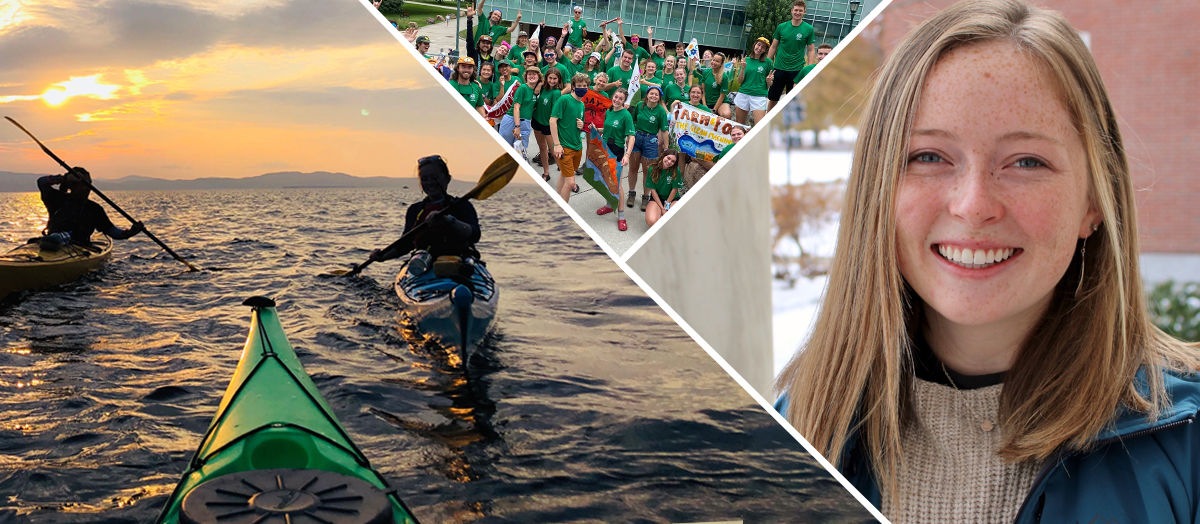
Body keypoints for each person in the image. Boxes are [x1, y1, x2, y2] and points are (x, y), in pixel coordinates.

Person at [773, 0, 1200, 522]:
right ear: (876, 191)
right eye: (928, 156)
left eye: (1026, 161)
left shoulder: (1187, 445)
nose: (973, 205)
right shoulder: (792, 433)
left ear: (1095, 199)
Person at [370, 155, 480, 262]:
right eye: (424, 179)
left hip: (459, 262)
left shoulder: (462, 205)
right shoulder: (415, 210)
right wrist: (382, 256)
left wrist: (449, 221)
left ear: (447, 179)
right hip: (424, 264)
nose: (430, 183)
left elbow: (475, 235)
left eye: (435, 177)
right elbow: (405, 245)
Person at [35, 168, 144, 251]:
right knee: (54, 238)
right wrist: (63, 178)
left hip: (80, 247)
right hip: (50, 243)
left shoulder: (94, 209)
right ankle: (55, 240)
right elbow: (41, 182)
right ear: (72, 185)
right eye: (84, 184)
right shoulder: (56, 199)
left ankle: (58, 239)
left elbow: (113, 231)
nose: (88, 188)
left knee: (61, 238)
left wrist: (130, 233)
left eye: (89, 184)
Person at [592, 87, 636, 228]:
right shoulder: (609, 111)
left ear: (624, 101)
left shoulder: (626, 115)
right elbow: (608, 129)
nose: (617, 100)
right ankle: (609, 205)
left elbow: (631, 136)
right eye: (616, 97)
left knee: (617, 185)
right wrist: (597, 129)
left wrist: (627, 155)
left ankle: (621, 216)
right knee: (606, 180)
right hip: (605, 149)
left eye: (621, 99)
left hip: (617, 151)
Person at [766, 0, 816, 111]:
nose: (798, 12)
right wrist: (767, 63)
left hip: (796, 70)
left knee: (792, 100)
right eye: (796, 10)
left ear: (804, 12)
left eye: (800, 11)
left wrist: (809, 68)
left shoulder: (808, 29)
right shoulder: (782, 27)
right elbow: (773, 47)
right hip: (779, 67)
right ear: (792, 11)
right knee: (773, 98)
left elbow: (811, 50)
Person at [549, 73, 589, 202]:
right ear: (573, 86)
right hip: (564, 147)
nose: (582, 88)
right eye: (579, 85)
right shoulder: (564, 100)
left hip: (577, 146)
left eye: (584, 86)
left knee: (564, 175)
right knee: (571, 183)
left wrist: (582, 125)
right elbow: (552, 121)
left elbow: (580, 125)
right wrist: (557, 144)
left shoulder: (582, 104)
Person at [628, 85, 669, 211]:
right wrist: (629, 137)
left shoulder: (661, 111)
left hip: (651, 141)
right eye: (652, 93)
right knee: (633, 168)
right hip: (636, 138)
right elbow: (632, 122)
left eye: (656, 95)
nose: (654, 96)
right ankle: (631, 193)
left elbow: (664, 130)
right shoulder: (640, 105)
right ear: (647, 94)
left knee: (647, 171)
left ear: (659, 98)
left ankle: (646, 196)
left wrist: (666, 148)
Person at [531, 68, 566, 179]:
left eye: (555, 78)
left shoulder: (556, 93)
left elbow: (555, 113)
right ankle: (546, 172)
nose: (552, 80)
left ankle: (565, 175)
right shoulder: (541, 88)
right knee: (542, 148)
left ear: (559, 79)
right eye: (550, 78)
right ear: (546, 78)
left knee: (555, 151)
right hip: (536, 121)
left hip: (547, 125)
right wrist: (540, 84)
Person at [735, 37, 774, 125]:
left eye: (763, 47)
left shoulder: (768, 62)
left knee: (760, 126)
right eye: (758, 45)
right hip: (743, 94)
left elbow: (771, 83)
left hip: (759, 97)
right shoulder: (746, 60)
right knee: (740, 125)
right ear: (754, 45)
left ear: (765, 50)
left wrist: (768, 81)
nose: (759, 48)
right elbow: (740, 81)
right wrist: (743, 69)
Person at [642, 148, 682, 227]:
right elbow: (653, 191)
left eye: (673, 161)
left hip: (672, 198)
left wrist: (666, 206)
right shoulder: (652, 169)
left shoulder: (675, 170)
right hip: (658, 198)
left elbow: (674, 190)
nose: (669, 162)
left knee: (674, 219)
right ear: (663, 156)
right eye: (668, 158)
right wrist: (662, 208)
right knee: (651, 221)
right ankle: (658, 213)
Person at [506, 66, 539, 157]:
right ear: (526, 76)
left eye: (534, 74)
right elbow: (516, 107)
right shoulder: (523, 88)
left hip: (526, 122)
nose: (531, 76)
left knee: (520, 149)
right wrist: (517, 126)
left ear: (538, 76)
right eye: (529, 74)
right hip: (512, 120)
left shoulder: (536, 90)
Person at [692, 52, 731, 118]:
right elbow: (703, 91)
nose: (714, 62)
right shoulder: (706, 72)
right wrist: (704, 105)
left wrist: (714, 110)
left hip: (720, 102)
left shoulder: (724, 77)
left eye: (717, 61)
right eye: (713, 60)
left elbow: (722, 96)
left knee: (726, 114)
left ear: (721, 64)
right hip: (707, 101)